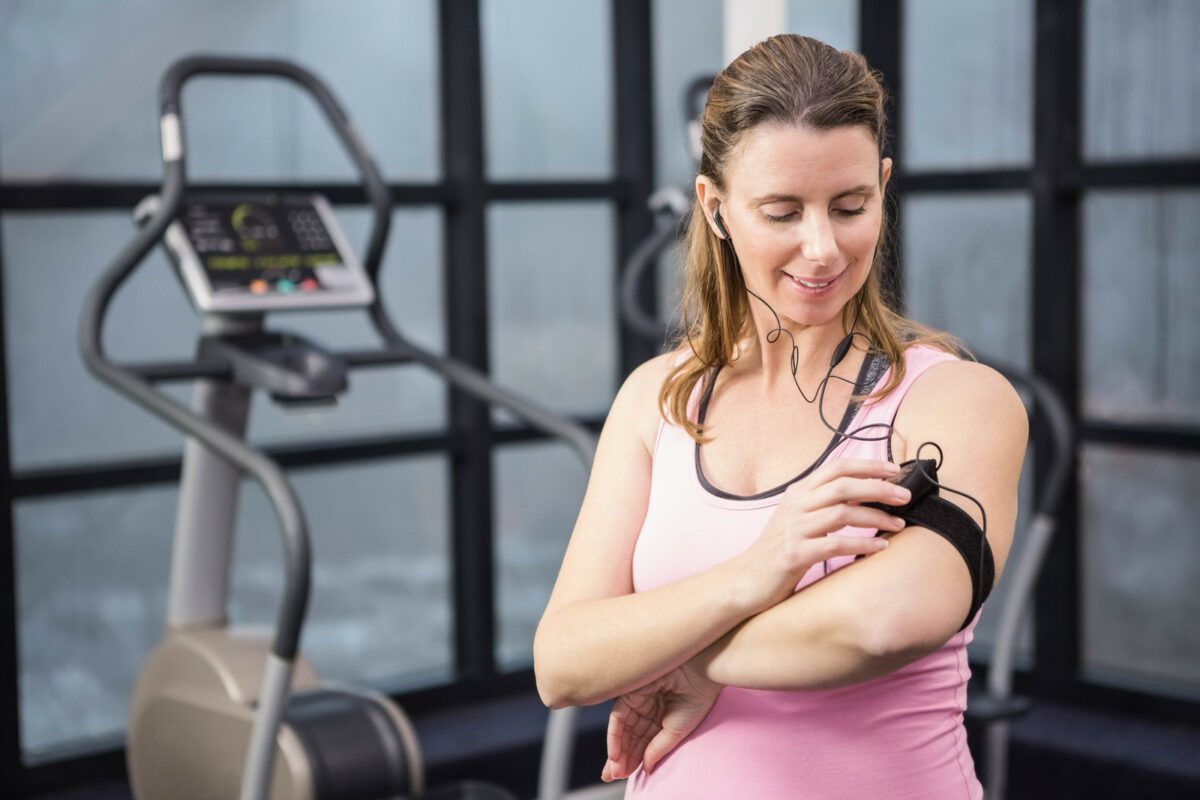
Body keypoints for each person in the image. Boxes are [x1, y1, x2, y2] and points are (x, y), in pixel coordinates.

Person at [533, 33, 1027, 799]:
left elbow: (883, 621)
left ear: (883, 186)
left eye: (851, 205)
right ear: (716, 206)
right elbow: (563, 662)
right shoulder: (656, 400)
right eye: (783, 211)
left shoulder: (955, 401)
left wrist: (681, 660)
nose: (822, 247)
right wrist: (756, 572)